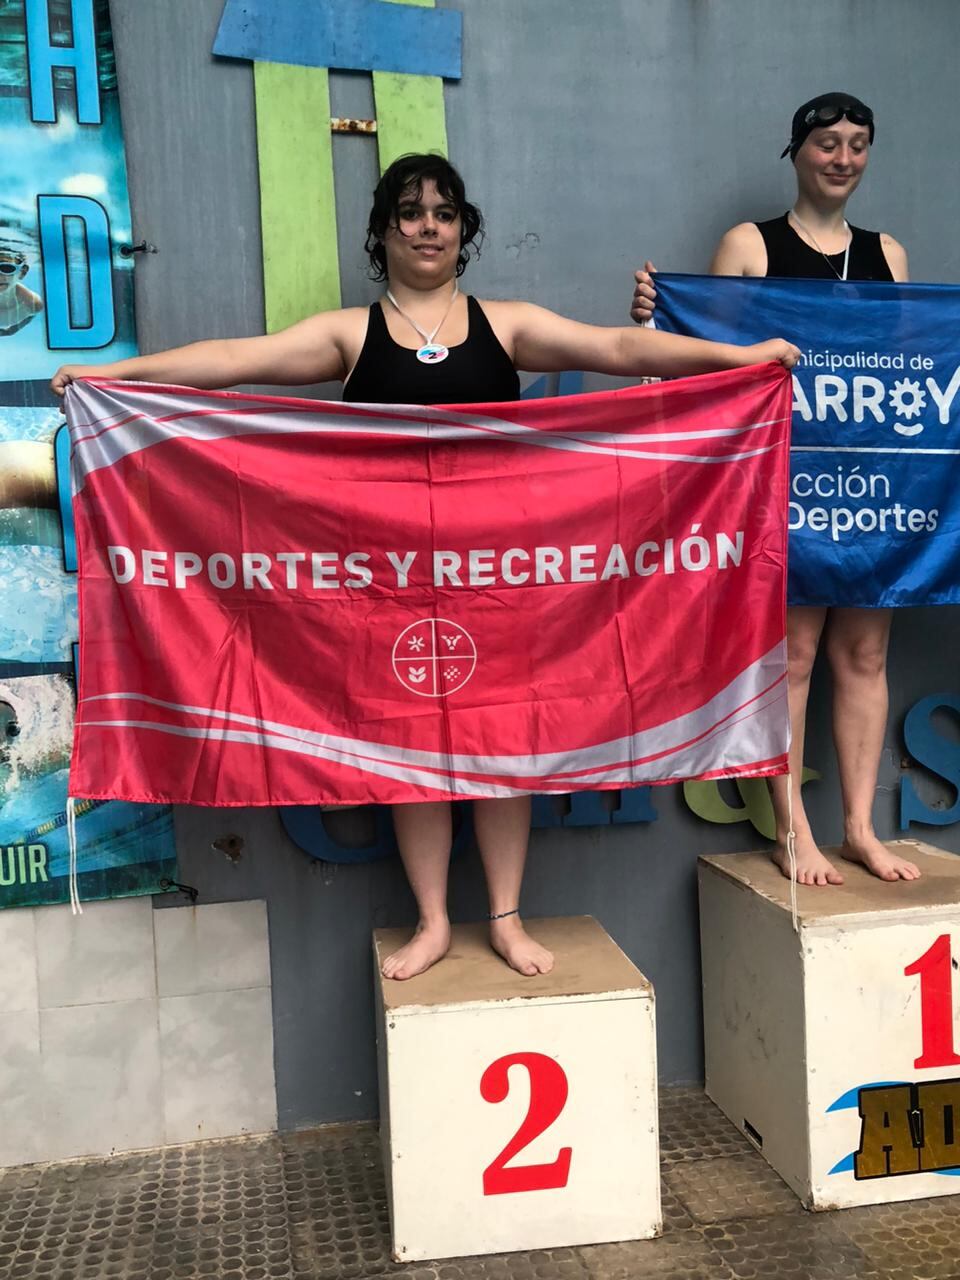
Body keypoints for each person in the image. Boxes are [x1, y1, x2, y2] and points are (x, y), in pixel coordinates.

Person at [53, 153, 799, 979]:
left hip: (506, 583)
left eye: (444, 212)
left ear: (463, 229)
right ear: (383, 231)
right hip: (386, 591)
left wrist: (743, 360)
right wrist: (113, 375)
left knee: (507, 742)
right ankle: (435, 920)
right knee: (409, 750)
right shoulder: (349, 333)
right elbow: (234, 360)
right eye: (410, 212)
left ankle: (507, 920)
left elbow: (619, 345)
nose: (428, 226)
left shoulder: (505, 323)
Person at [631, 93, 919, 889]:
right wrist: (655, 320)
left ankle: (860, 826)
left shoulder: (888, 253)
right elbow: (703, 357)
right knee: (792, 655)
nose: (843, 157)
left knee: (865, 651)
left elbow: (906, 371)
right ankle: (792, 828)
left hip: (868, 489)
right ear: (796, 151)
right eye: (827, 142)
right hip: (783, 485)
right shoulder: (750, 246)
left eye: (859, 143)